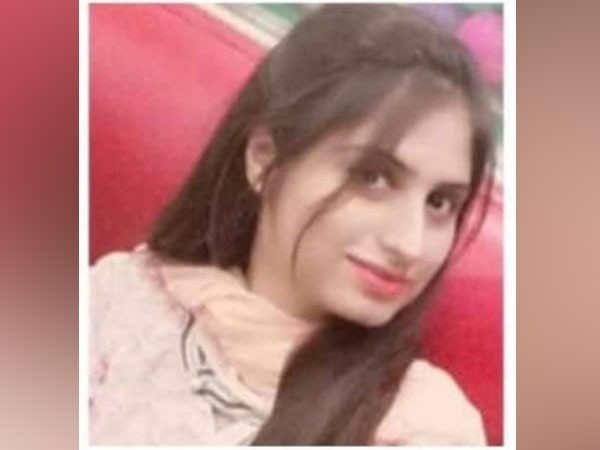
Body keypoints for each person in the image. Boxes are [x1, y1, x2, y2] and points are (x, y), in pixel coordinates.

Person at [89, 4, 497, 446]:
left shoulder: (422, 425)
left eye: (440, 203)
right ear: (265, 158)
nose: (410, 244)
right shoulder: (125, 301)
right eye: (373, 177)